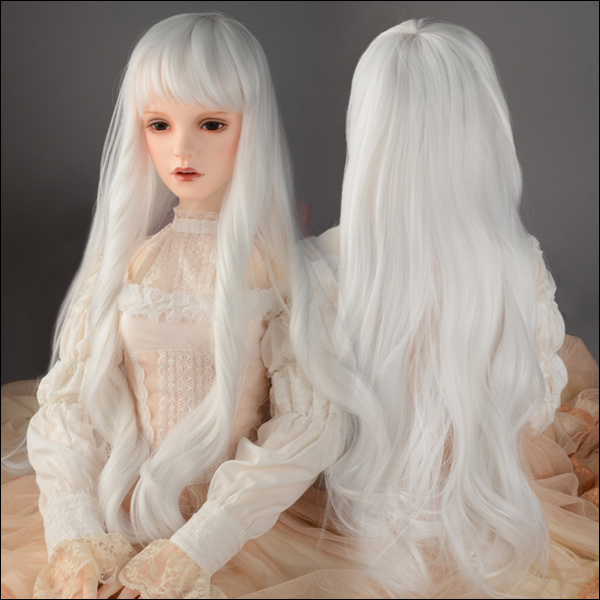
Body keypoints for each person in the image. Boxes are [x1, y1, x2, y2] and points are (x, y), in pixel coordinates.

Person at [1, 12, 353, 599]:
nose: (182, 148)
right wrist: (74, 534)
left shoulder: (282, 272)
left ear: (251, 127)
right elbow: (72, 406)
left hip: (242, 534)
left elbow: (309, 425)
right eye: (159, 124)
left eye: (211, 124)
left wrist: (200, 546)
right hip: (119, 515)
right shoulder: (129, 265)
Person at [297, 17, 599, 598]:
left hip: (357, 527)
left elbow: (303, 423)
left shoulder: (316, 267)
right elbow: (534, 413)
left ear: (369, 127)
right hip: (497, 518)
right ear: (482, 128)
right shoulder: (518, 262)